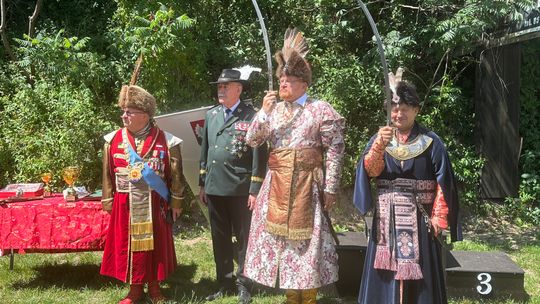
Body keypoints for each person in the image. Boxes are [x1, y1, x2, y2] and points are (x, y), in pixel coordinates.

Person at [243, 27, 345, 304]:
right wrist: (263, 112)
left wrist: (331, 187)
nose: (283, 85)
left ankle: (308, 296)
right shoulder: (273, 110)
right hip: (275, 185)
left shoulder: (320, 109)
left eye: (288, 81)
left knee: (308, 243)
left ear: (303, 84)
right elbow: (252, 140)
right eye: (281, 80)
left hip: (308, 185)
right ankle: (291, 296)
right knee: (282, 244)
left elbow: (335, 148)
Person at [353, 70, 462, 304]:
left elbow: (444, 184)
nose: (398, 113)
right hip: (386, 221)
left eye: (404, 108)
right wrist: (379, 147)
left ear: (416, 110)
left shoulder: (432, 142)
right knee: (384, 277)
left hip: (420, 221)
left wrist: (439, 218)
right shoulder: (379, 139)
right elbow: (370, 172)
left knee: (421, 288)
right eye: (394, 108)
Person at [100, 84, 185, 304]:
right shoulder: (112, 140)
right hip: (125, 203)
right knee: (129, 245)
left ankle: (155, 288)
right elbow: (107, 174)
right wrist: (108, 200)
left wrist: (176, 202)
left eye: (129, 112)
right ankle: (134, 290)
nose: (124, 116)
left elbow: (176, 176)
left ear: (145, 115)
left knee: (155, 245)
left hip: (155, 203)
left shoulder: (167, 140)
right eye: (124, 111)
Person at [198, 69, 268, 304]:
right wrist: (202, 183)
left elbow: (260, 156)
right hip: (215, 187)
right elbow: (205, 151)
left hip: (240, 189)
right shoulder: (212, 115)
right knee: (220, 238)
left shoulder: (251, 116)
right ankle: (224, 282)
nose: (221, 89)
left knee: (244, 238)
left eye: (225, 86)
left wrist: (255, 189)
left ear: (238, 89)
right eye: (219, 86)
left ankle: (244, 284)